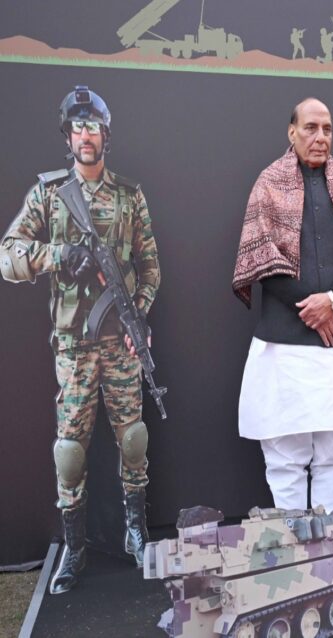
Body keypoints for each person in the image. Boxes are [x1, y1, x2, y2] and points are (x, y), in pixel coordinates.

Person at [0, 85, 161, 593]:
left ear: (105, 135)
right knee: (70, 450)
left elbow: (151, 268)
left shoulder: (129, 196)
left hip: (120, 343)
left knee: (133, 439)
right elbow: (8, 256)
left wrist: (140, 317)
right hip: (73, 345)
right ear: (67, 135)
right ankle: (75, 546)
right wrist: (57, 255)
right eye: (78, 127)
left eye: (93, 127)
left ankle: (135, 532)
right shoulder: (49, 194)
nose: (85, 135)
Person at [232, 97, 333, 515]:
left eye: (327, 129)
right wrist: (311, 308)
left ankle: (327, 541)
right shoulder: (268, 184)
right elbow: (260, 257)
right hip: (284, 348)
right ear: (291, 132)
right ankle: (293, 542)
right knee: (285, 459)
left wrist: (332, 300)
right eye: (311, 128)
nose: (320, 137)